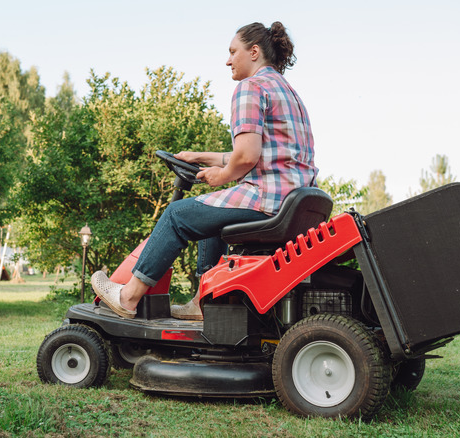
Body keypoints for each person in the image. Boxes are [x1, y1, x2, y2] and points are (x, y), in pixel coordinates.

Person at [91, 21, 318, 320]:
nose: (227, 60)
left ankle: (128, 296)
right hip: (292, 202)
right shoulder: (290, 94)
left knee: (177, 215)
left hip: (267, 200)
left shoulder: (250, 87)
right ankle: (203, 300)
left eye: (232, 51)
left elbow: (247, 156)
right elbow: (259, 154)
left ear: (253, 52)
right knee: (213, 217)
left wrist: (222, 176)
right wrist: (201, 157)